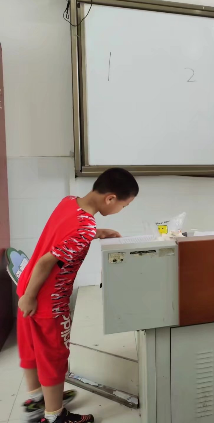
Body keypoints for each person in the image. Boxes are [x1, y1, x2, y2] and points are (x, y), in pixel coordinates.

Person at [16, 168, 139, 423]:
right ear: (110, 198)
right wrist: (32, 297)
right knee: (54, 357)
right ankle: (55, 415)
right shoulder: (85, 227)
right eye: (124, 206)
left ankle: (37, 398)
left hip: (27, 286)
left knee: (31, 347)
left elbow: (63, 234)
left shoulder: (69, 202)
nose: (121, 210)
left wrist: (97, 233)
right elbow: (47, 262)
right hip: (48, 301)